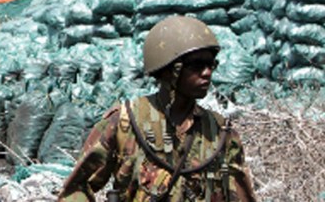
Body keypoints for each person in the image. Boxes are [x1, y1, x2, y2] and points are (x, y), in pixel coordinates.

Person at [58, 15, 257, 202]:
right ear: (168, 70)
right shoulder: (124, 123)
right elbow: (75, 190)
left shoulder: (221, 133)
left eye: (211, 64)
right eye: (196, 65)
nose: (207, 73)